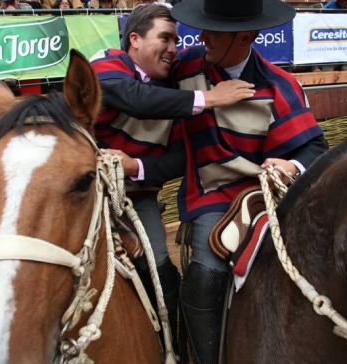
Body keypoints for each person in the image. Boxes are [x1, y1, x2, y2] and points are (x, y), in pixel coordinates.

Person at [140, 0, 327, 362]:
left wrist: (291, 167)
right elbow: (134, 82)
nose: (202, 35)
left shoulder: (279, 85)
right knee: (205, 278)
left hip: (267, 194)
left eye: (215, 31)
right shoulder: (186, 66)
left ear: (246, 37)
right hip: (211, 197)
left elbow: (315, 150)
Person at [90, 3, 255, 358]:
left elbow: (179, 159)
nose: (173, 48)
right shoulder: (109, 63)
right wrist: (208, 98)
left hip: (138, 198)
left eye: (177, 41)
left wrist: (136, 167)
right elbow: (132, 97)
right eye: (164, 38)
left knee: (160, 266)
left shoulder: (175, 95)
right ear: (133, 40)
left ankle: (168, 346)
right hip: (84, 191)